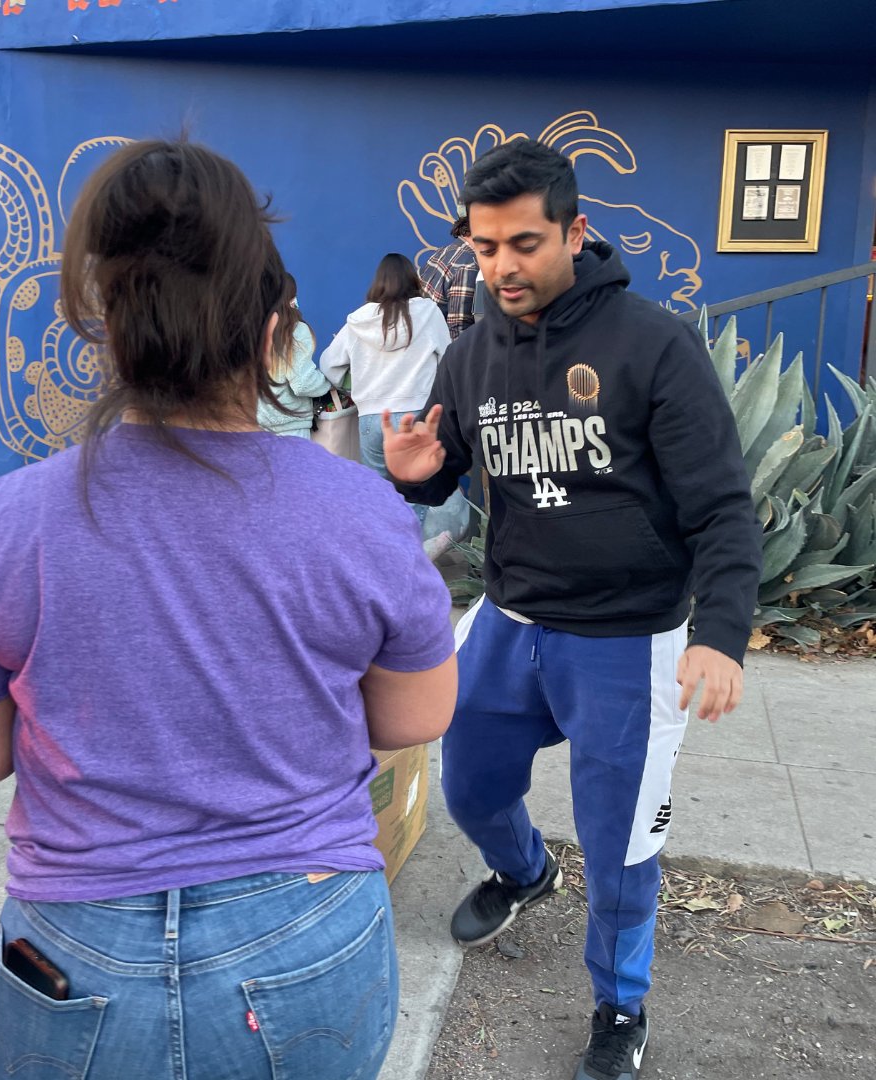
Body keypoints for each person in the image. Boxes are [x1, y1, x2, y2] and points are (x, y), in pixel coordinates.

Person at [0, 139, 457, 1080]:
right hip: (307, 938)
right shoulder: (361, 511)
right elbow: (416, 716)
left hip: (72, 955)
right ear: (270, 331)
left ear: (108, 325)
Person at [382, 139, 761, 1080]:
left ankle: (619, 1007)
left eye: (522, 243)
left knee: (621, 843)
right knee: (467, 781)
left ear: (574, 232)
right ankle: (523, 872)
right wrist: (422, 481)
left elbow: (721, 504)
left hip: (627, 639)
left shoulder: (653, 344)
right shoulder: (470, 356)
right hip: (511, 621)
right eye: (482, 248)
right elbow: (450, 469)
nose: (501, 266)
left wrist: (719, 636)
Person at [319, 252, 450, 521]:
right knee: (415, 494)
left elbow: (329, 365)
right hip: (417, 414)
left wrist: (352, 389)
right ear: (413, 280)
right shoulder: (428, 312)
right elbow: (449, 360)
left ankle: (383, 560)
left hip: (372, 418)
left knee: (377, 497)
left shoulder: (359, 320)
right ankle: (412, 558)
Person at [256, 272, 333, 437]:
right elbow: (303, 384)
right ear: (290, 297)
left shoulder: (254, 331)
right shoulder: (296, 330)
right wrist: (328, 383)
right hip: (292, 427)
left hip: (258, 427)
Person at [419, 213, 479, 340]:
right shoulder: (468, 265)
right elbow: (458, 331)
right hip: (440, 350)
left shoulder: (444, 250)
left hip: (423, 345)